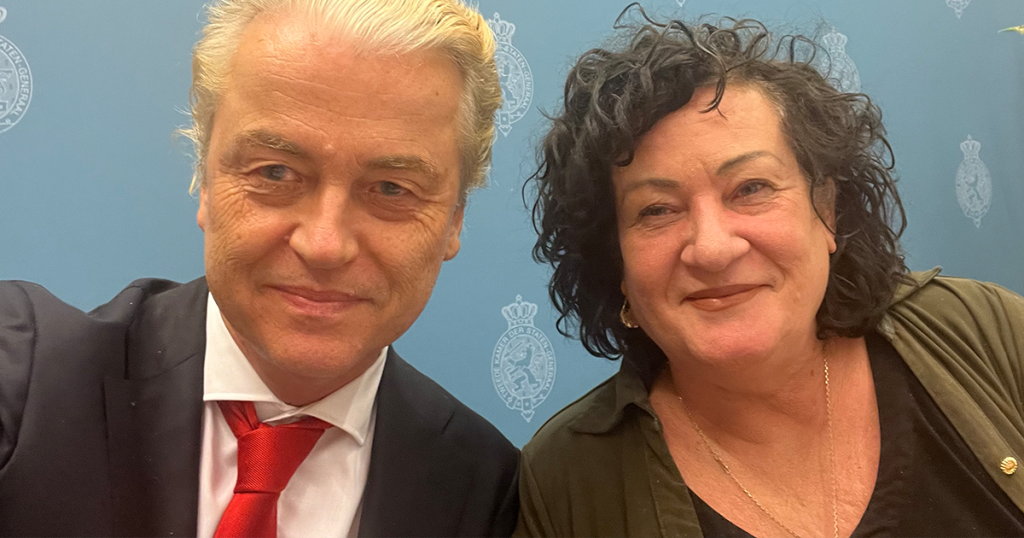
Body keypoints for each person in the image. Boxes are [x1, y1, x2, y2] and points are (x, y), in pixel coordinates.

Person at [0, 1, 519, 536]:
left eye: (392, 189)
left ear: (455, 219)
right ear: (205, 181)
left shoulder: (488, 494)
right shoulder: (24, 380)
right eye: (275, 172)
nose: (324, 245)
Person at [517, 12, 1024, 538]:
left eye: (751, 188)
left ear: (825, 209)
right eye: (657, 210)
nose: (712, 249)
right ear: (616, 262)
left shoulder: (986, 331)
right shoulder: (564, 482)